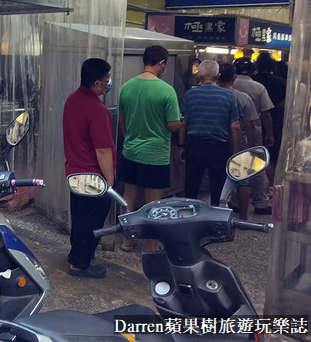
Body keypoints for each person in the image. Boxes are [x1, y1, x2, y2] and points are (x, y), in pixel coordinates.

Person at [118, 45, 181, 252]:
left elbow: (122, 122)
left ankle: (127, 240)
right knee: (153, 201)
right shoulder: (167, 90)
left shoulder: (126, 87)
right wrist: (179, 123)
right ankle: (152, 246)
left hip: (130, 151)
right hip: (155, 154)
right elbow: (173, 125)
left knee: (128, 196)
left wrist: (131, 139)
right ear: (162, 63)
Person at [63, 58, 116, 278]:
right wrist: (109, 182)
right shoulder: (97, 109)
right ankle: (79, 264)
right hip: (94, 176)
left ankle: (78, 253)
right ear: (96, 83)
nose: (109, 82)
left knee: (80, 217)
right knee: (91, 221)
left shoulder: (72, 100)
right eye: (107, 79)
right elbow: (103, 150)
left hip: (74, 172)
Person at [179, 60, 242, 207]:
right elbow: (236, 126)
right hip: (220, 147)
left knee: (192, 186)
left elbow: (183, 123)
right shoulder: (229, 96)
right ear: (218, 75)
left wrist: (181, 145)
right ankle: (215, 220)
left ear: (199, 75)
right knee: (218, 187)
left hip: (195, 146)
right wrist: (235, 150)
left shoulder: (190, 94)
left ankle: (190, 217)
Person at [229, 58, 273, 215]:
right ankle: (261, 202)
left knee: (235, 166)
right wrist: (270, 134)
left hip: (231, 133)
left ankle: (235, 200)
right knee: (257, 166)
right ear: (254, 70)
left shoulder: (227, 86)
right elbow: (266, 113)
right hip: (254, 131)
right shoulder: (258, 87)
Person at [218, 63, 259, 220]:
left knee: (219, 178)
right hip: (240, 143)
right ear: (234, 78)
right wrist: (253, 146)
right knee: (243, 179)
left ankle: (218, 212)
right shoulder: (243, 97)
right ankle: (243, 216)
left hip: (218, 141)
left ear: (217, 77)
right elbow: (249, 125)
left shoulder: (214, 95)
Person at [253, 53, 287, 186]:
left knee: (253, 155)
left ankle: (253, 186)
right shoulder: (281, 82)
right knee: (270, 157)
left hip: (253, 121)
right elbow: (283, 105)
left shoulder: (253, 80)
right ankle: (270, 186)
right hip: (274, 122)